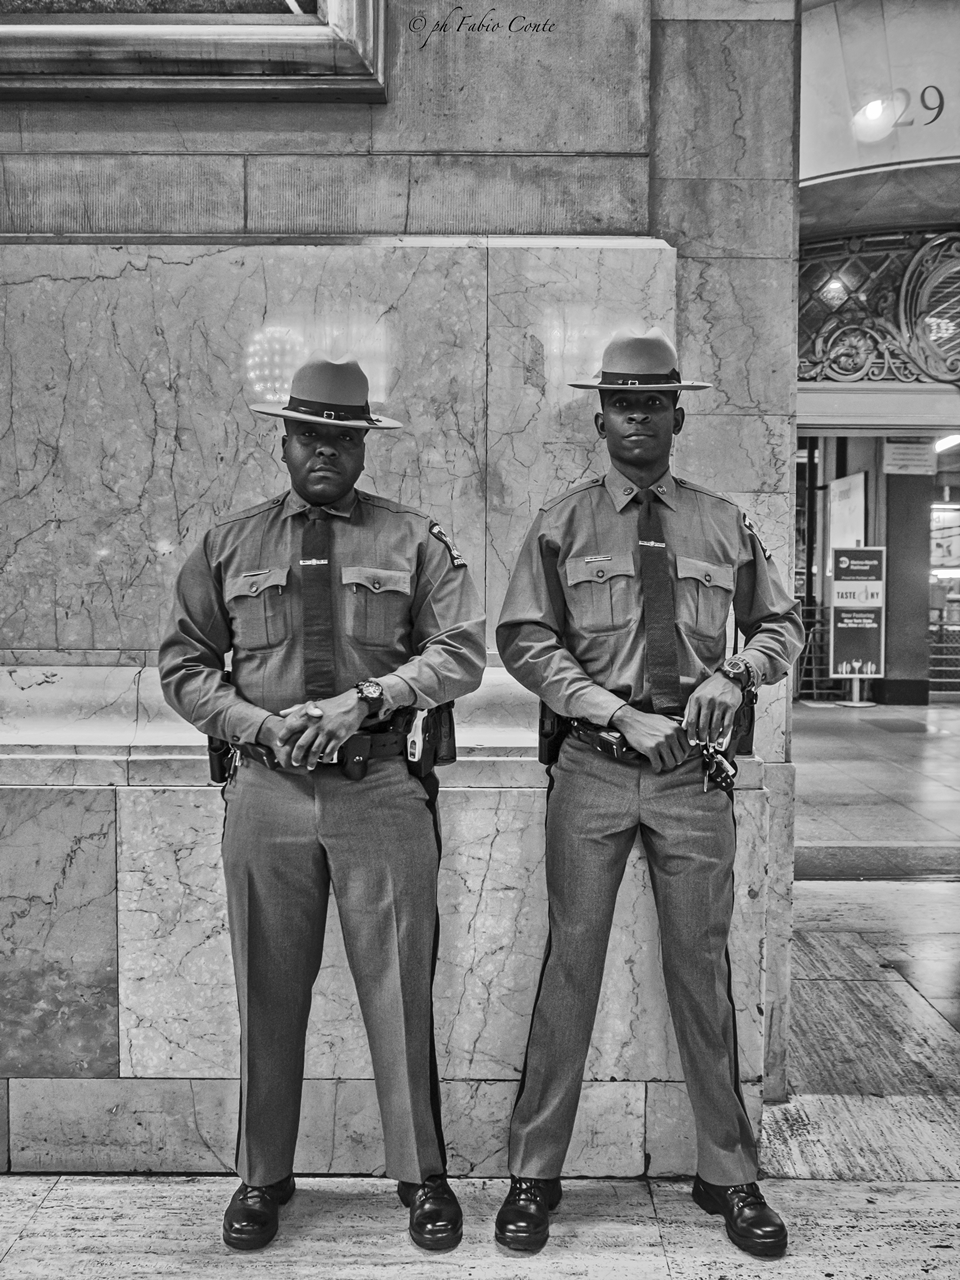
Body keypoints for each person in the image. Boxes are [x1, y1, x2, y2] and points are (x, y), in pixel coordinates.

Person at [159, 354, 485, 1253]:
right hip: (266, 794)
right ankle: (262, 1176)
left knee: (399, 986)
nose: (324, 450)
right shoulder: (228, 545)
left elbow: (461, 651)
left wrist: (370, 699)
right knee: (266, 991)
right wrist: (258, 727)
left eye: (342, 437)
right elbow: (184, 664)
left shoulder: (413, 540)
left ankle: (422, 1176)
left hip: (380, 790)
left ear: (365, 446)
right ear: (285, 440)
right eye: (309, 434)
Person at [494, 328, 804, 1259]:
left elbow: (783, 627)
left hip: (692, 775)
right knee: (570, 968)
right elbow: (525, 639)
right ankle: (533, 1172)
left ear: (678, 415)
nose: (638, 416)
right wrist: (613, 713)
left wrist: (736, 673)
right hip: (594, 766)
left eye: (654, 402)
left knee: (701, 971)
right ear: (599, 419)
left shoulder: (723, 524)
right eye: (622, 404)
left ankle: (729, 1174)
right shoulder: (562, 523)